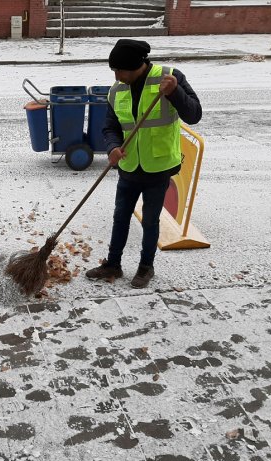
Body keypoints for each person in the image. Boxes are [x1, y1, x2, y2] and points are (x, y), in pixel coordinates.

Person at [85, 39, 202, 288]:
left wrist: (175, 93)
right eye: (114, 71)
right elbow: (110, 126)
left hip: (157, 167)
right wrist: (112, 146)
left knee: (150, 220)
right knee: (120, 216)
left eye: (120, 70)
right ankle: (113, 264)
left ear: (137, 65)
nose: (116, 76)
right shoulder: (117, 89)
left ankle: (145, 267)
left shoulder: (170, 77)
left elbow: (194, 114)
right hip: (128, 166)